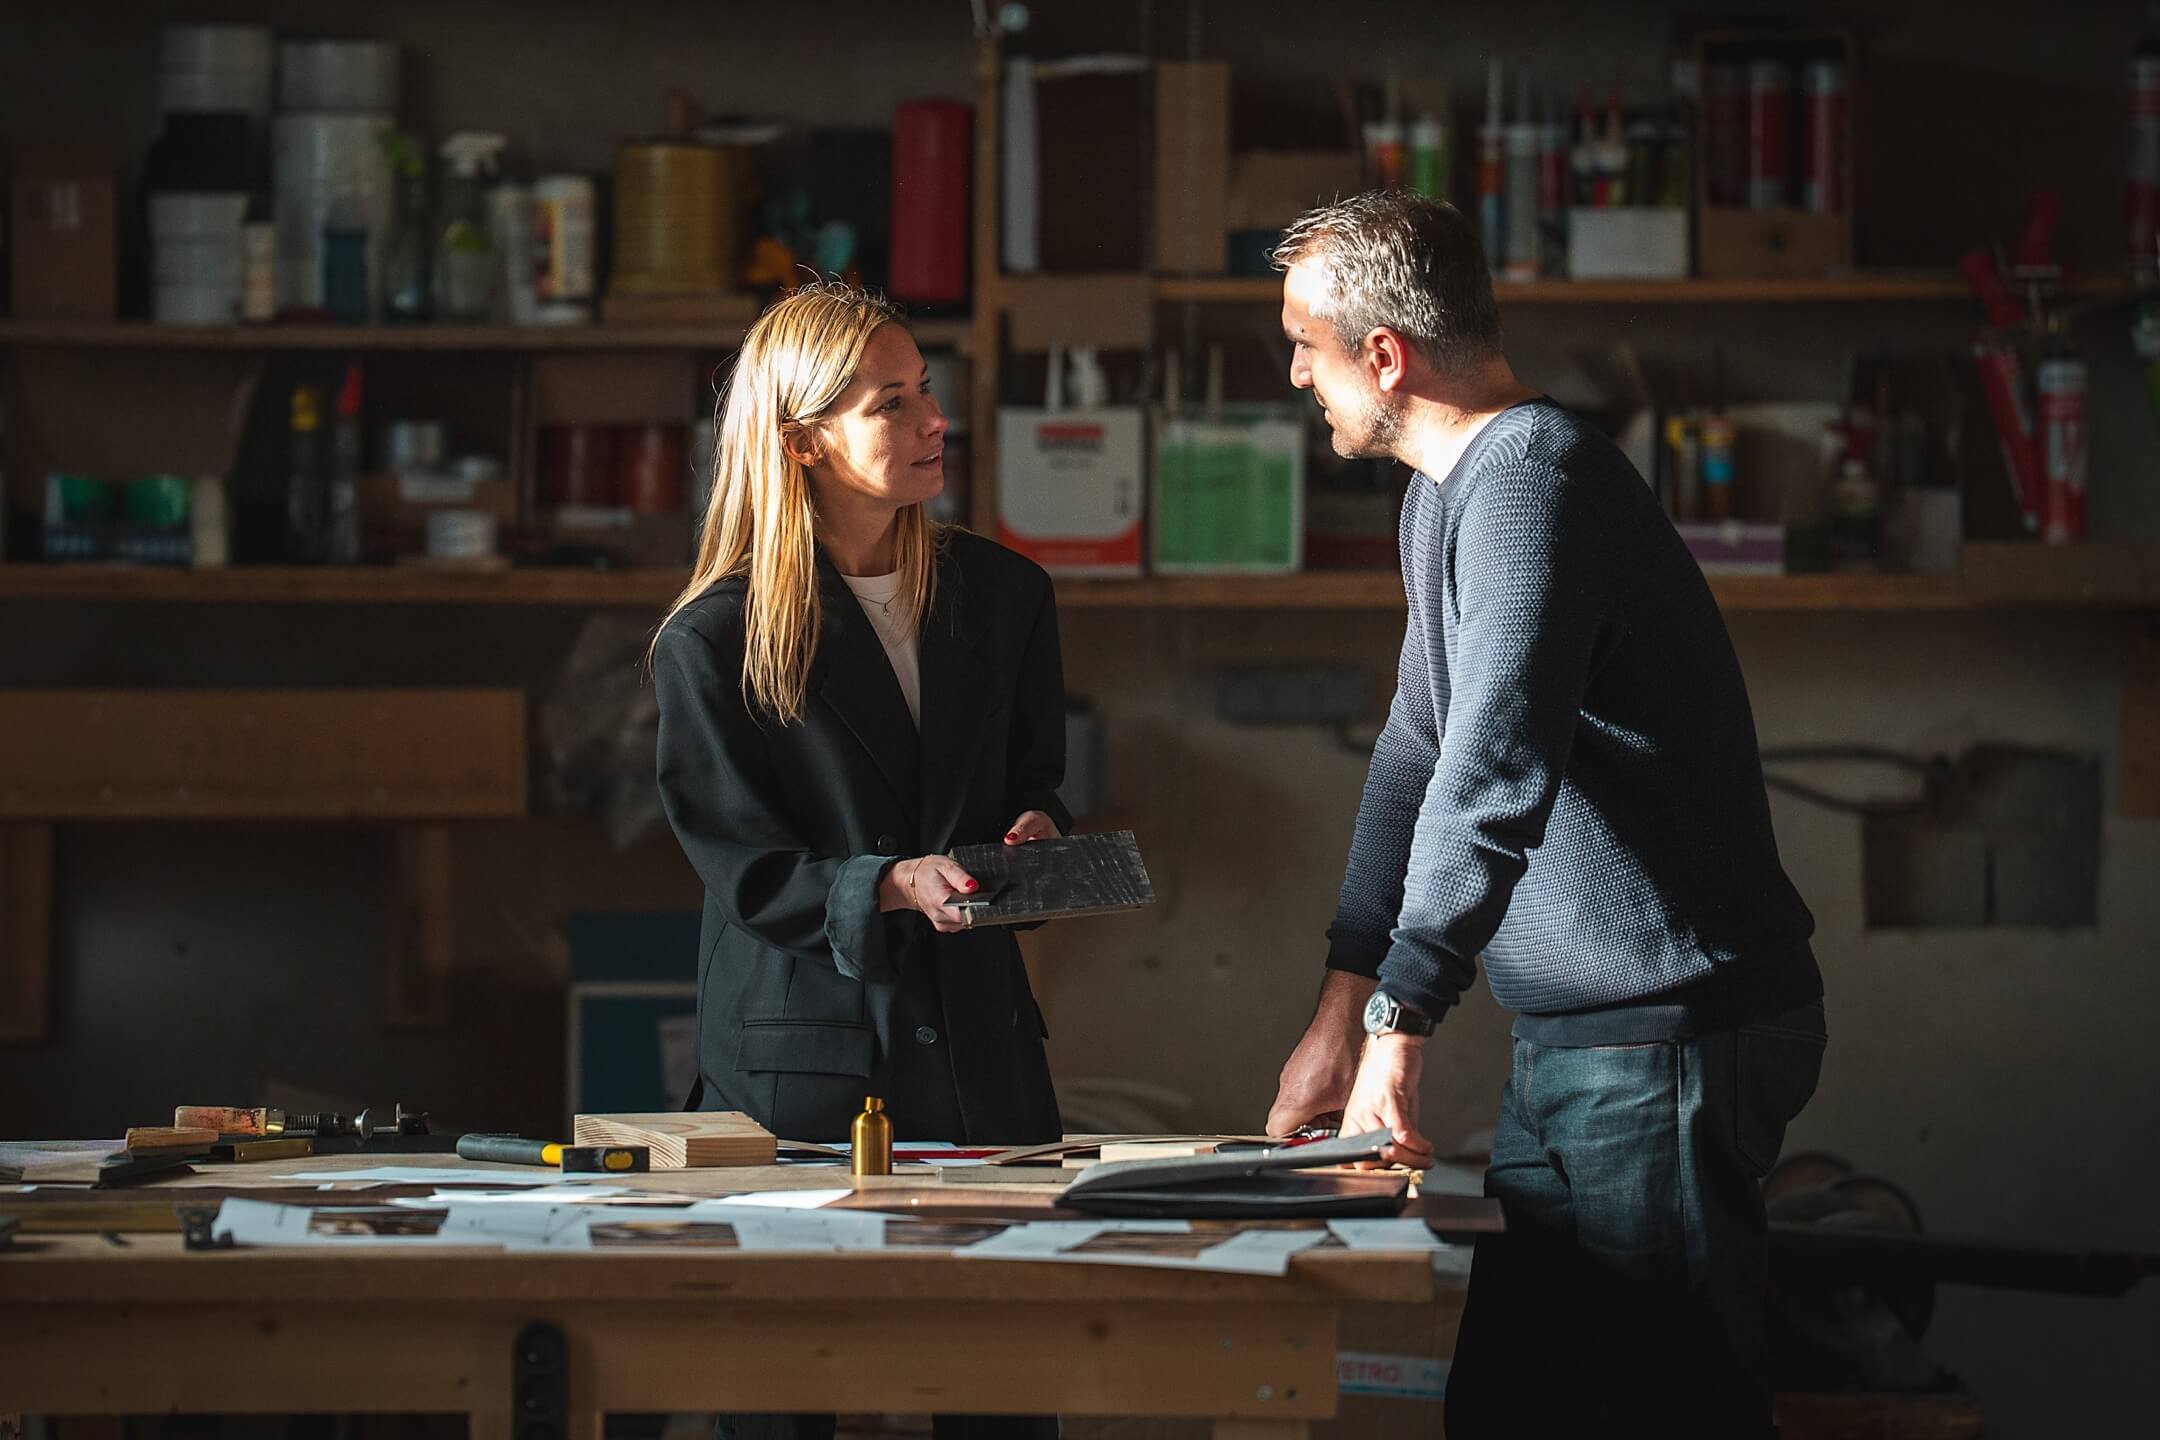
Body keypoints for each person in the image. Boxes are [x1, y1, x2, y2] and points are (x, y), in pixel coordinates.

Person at [1261, 190, 1828, 1437]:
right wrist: (1343, 1008)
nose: (1295, 367)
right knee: (1514, 1405)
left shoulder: (1533, 483)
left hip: (1670, 1029)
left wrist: (1407, 1016)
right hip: (1578, 1035)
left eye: (1306, 338)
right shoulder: (1443, 495)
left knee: (1661, 1408)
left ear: (1385, 356)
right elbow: (1416, 754)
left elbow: (1496, 763)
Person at [651, 281, 1064, 1440]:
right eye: (894, 402)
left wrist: (1036, 840)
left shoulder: (1006, 598)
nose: (937, 420)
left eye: (928, 391)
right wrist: (885, 883)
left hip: (983, 1059)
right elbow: (747, 871)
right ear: (799, 441)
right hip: (802, 1073)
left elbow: (1035, 786)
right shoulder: (714, 641)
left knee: (1002, 1390)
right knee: (786, 1393)